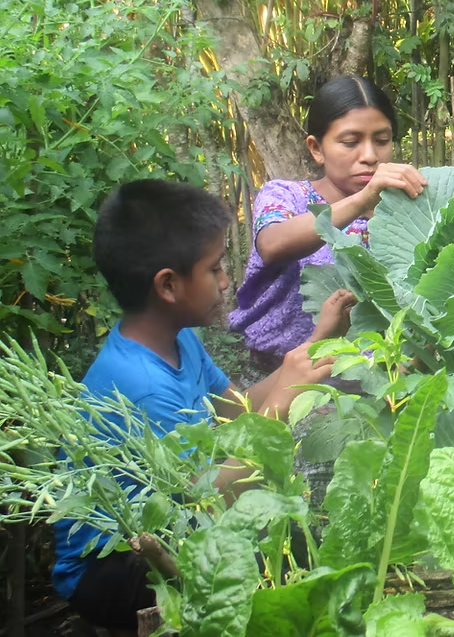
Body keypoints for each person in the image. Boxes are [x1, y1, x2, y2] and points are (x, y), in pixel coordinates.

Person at [53, 179, 351, 633]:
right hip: (115, 566)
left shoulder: (177, 340)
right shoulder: (142, 385)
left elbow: (235, 409)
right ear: (168, 285)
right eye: (214, 269)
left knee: (293, 542)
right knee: (277, 557)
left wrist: (313, 344)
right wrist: (283, 401)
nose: (226, 280)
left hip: (172, 521)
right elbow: (207, 498)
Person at [229, 76, 426, 382]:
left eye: (382, 140)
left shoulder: (411, 209)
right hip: (280, 383)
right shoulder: (286, 196)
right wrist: (362, 200)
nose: (370, 156)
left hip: (384, 385)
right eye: (350, 142)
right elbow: (271, 244)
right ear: (316, 148)